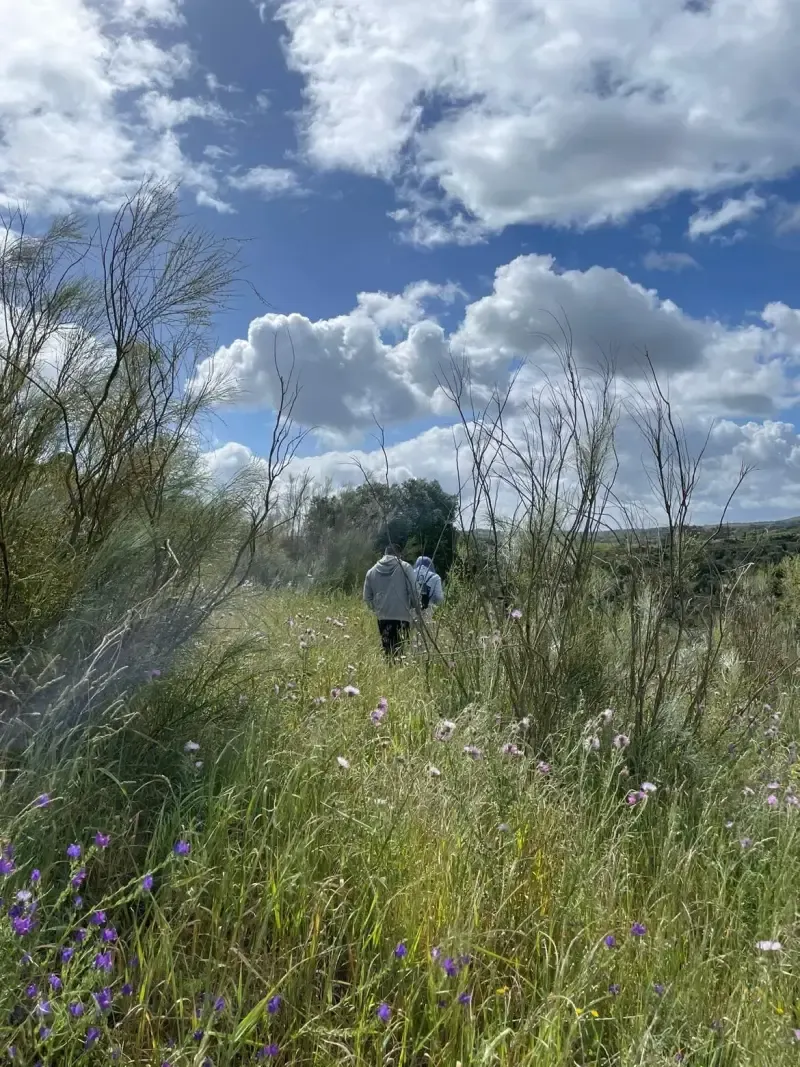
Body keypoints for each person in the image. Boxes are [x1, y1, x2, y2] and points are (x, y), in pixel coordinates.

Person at [363, 544, 420, 658]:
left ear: (384, 554)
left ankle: (389, 667)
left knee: (388, 652)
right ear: (399, 555)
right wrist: (417, 608)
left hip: (383, 618)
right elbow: (414, 590)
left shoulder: (371, 571)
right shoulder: (405, 568)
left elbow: (367, 598)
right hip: (402, 616)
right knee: (401, 653)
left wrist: (377, 609)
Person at [413, 555, 444, 625]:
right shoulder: (435, 577)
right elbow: (439, 598)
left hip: (413, 611)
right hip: (428, 611)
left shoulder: (410, 573)